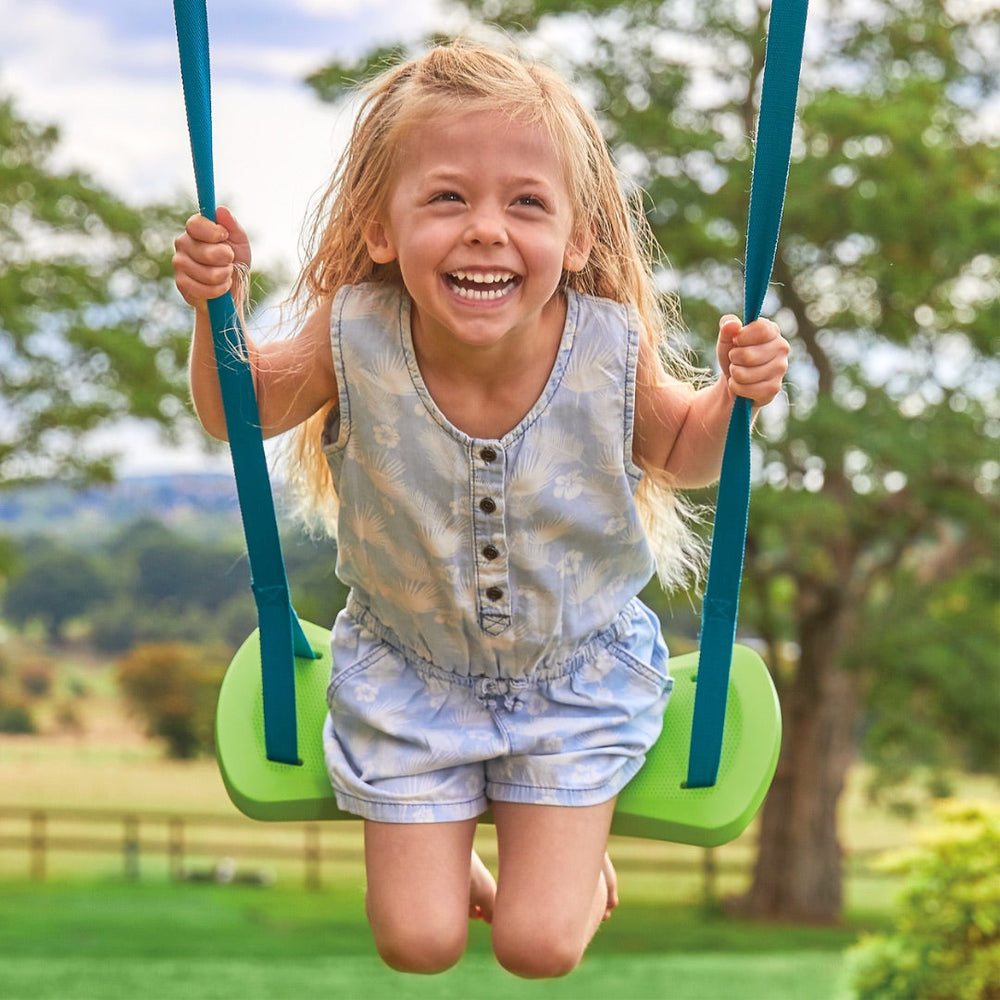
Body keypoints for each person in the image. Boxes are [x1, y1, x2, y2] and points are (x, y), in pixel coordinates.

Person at [173, 39, 789, 979]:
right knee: (416, 943)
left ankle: (567, 862)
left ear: (580, 237)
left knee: (539, 948)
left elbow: (683, 455)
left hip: (573, 678)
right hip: (409, 673)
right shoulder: (353, 331)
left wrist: (730, 400)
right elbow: (234, 414)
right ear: (383, 227)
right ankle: (469, 816)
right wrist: (219, 310)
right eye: (448, 197)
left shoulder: (608, 348)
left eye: (527, 203)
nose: (486, 230)